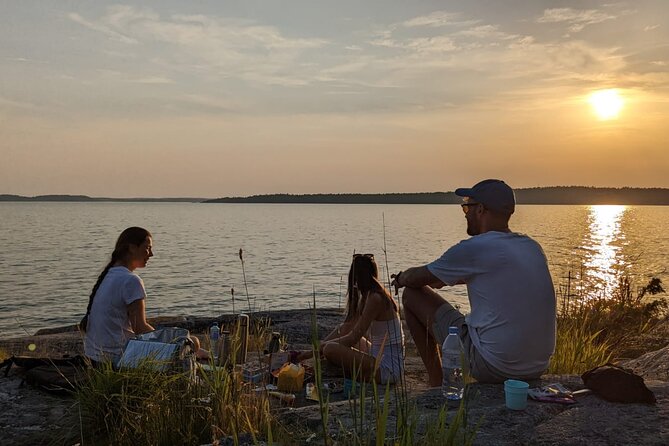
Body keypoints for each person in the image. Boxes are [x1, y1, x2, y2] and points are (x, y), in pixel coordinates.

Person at [392, 179, 556, 385]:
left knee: (411, 295)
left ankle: (435, 383)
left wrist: (400, 278)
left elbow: (416, 279)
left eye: (466, 207)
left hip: (494, 366)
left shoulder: (475, 248)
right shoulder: (532, 247)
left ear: (480, 209)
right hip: (536, 367)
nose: (466, 213)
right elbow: (489, 279)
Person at [82, 227, 204, 365]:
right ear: (132, 248)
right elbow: (140, 329)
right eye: (147, 248)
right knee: (193, 342)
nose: (151, 254)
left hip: (94, 357)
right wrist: (177, 344)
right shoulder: (131, 280)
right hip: (117, 360)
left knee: (188, 345)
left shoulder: (108, 275)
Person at [317, 253, 405, 384]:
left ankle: (322, 360)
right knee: (343, 329)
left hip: (388, 369)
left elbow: (353, 339)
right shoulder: (369, 295)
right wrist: (314, 351)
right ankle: (314, 356)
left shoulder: (376, 298)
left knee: (330, 349)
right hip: (376, 354)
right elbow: (349, 328)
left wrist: (323, 346)